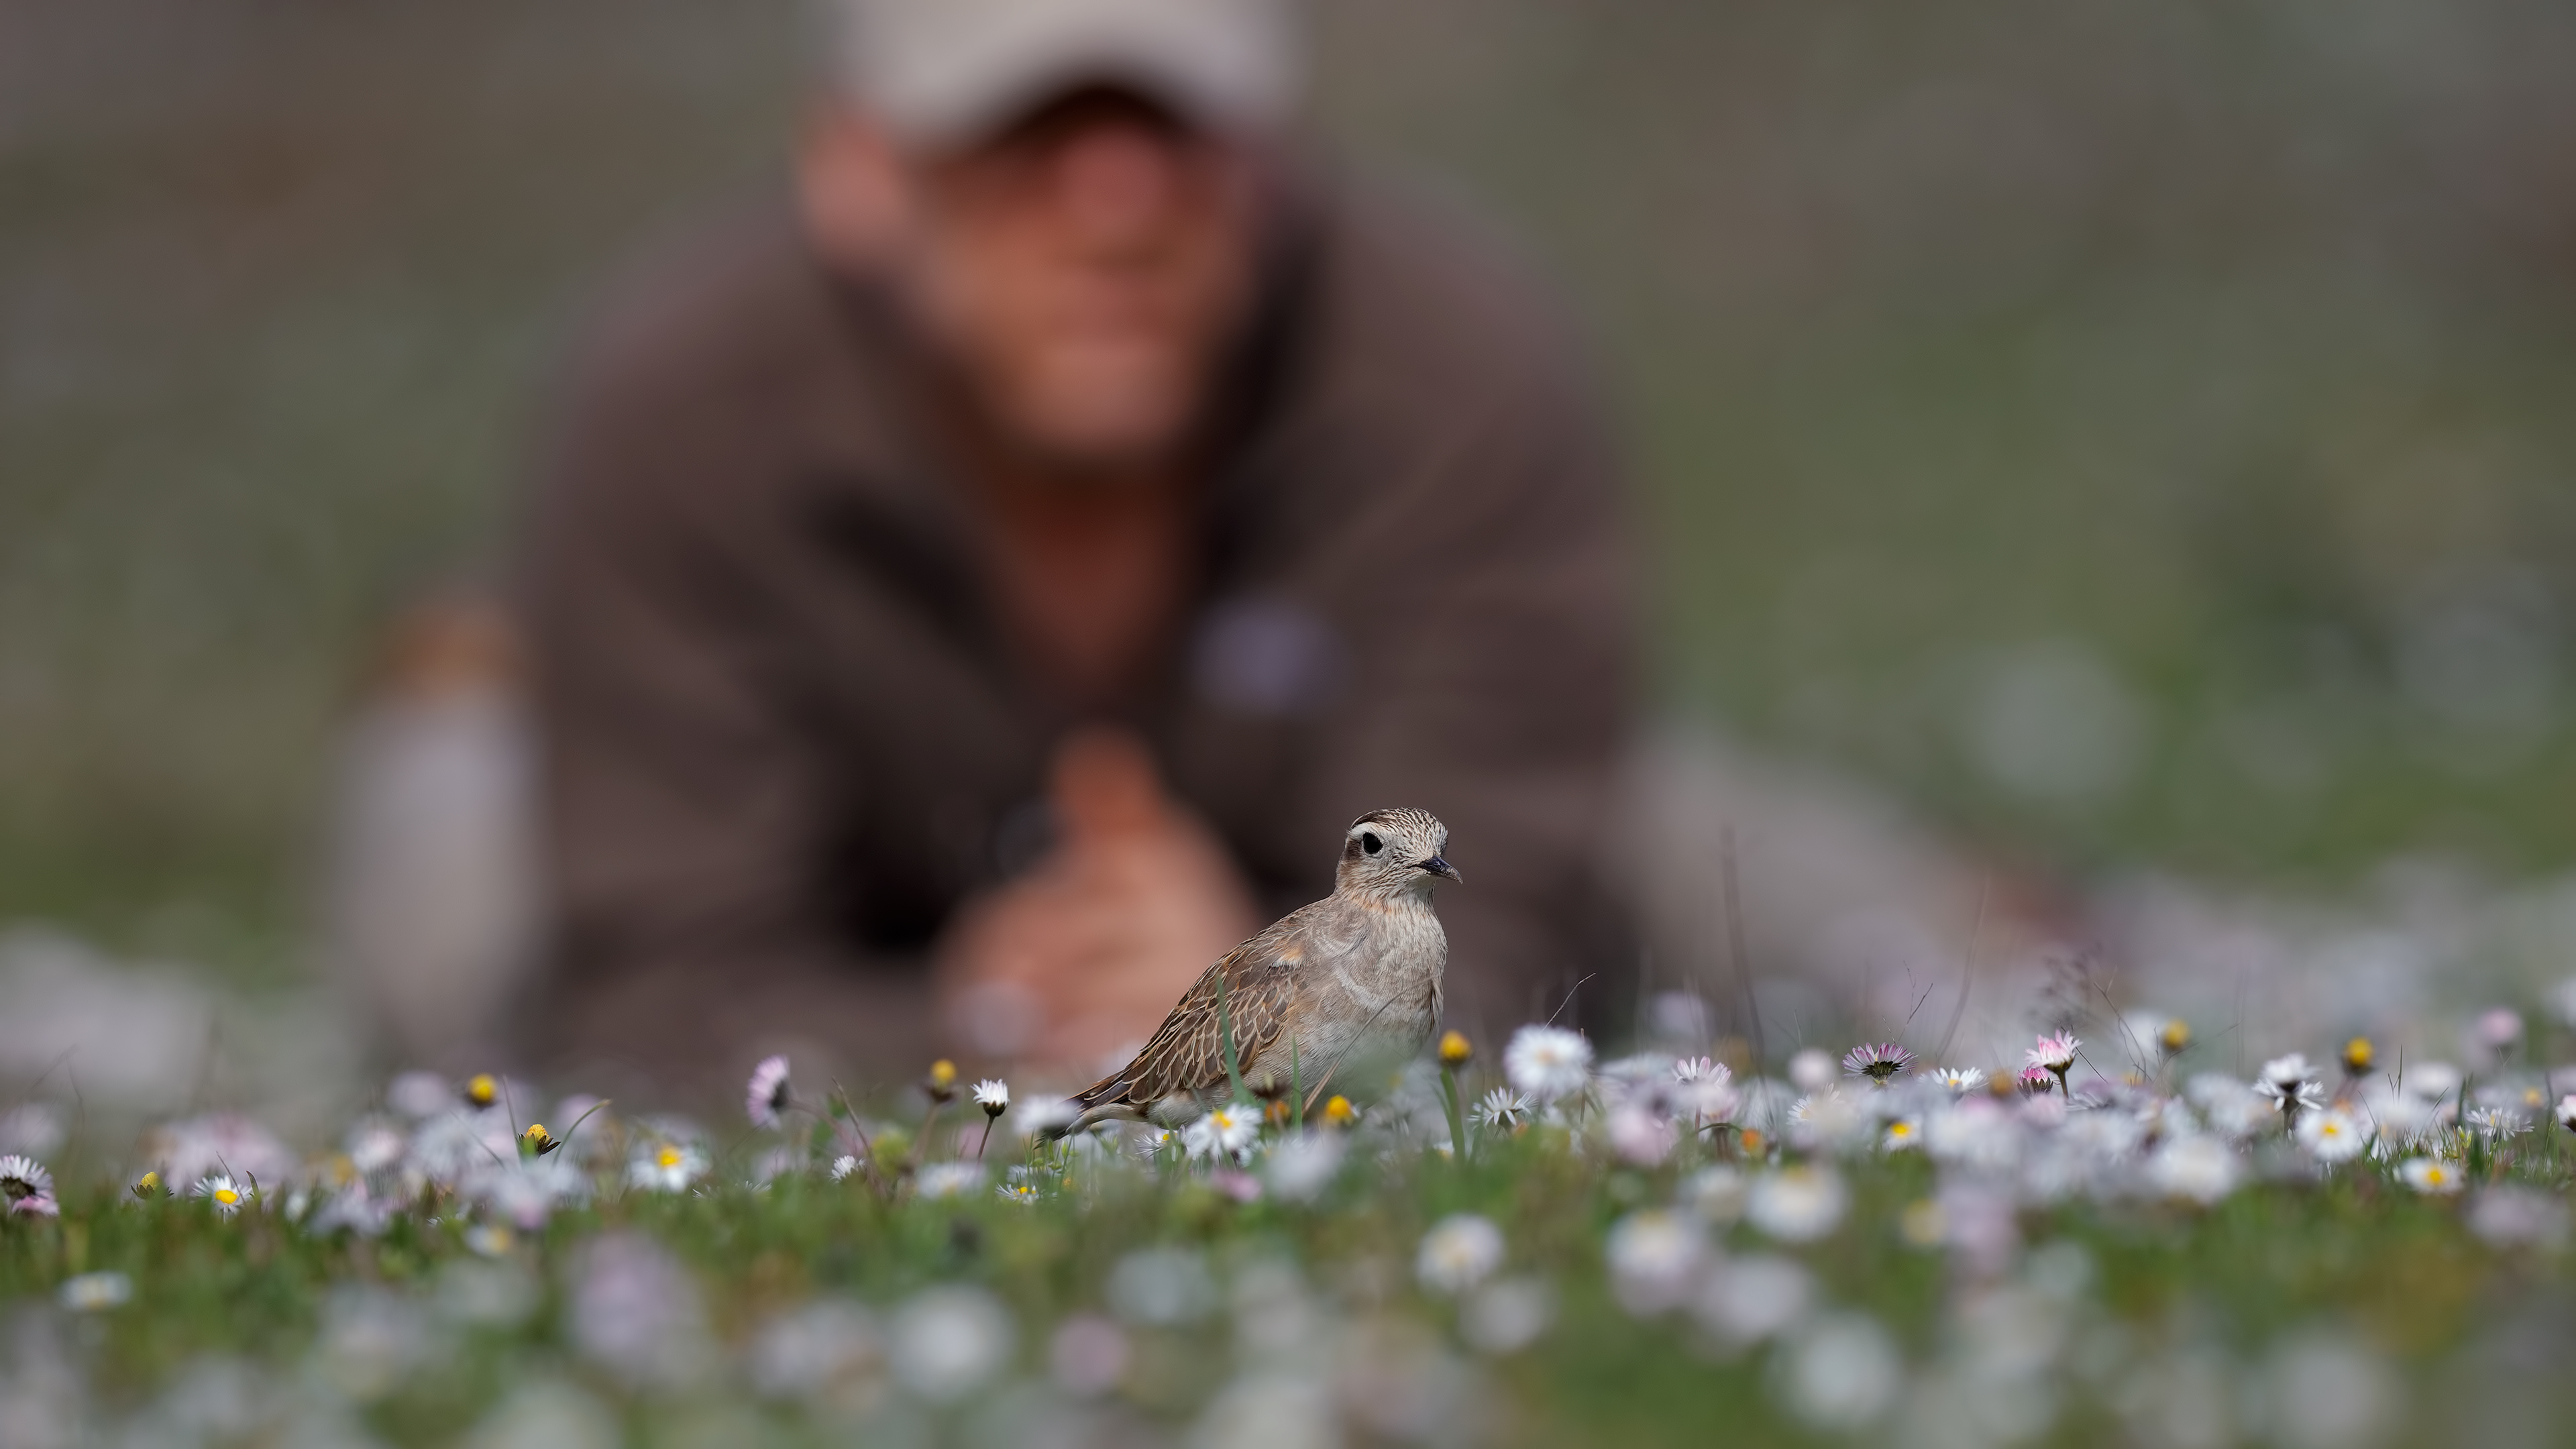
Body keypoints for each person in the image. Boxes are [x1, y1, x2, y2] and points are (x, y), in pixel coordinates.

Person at [515, 0, 1637, 1097]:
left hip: (1317, 921)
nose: (1115, 210)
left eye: (1176, 130)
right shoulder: (680, 411)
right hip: (847, 942)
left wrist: (1269, 982)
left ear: (1274, 158)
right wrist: (974, 1022)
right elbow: (659, 986)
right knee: (453, 884)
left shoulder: (1460, 371)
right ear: (855, 169)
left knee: (1742, 881)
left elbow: (1505, 912)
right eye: (1021, 135)